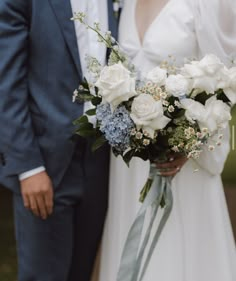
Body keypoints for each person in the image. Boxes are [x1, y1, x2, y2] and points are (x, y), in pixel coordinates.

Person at [99, 0, 236, 280]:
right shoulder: (125, 4)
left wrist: (192, 141)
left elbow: (227, 77)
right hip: (131, 159)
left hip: (184, 160)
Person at [0, 1, 117, 281]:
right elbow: (6, 84)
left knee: (81, 273)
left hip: (102, 162)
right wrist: (28, 167)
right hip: (45, 164)